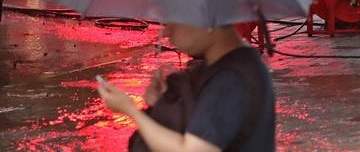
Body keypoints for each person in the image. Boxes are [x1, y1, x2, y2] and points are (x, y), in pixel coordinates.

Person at [97, 23, 275, 152]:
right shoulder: (237, 62)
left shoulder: (230, 81)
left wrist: (131, 110)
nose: (166, 30)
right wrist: (166, 101)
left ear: (207, 18)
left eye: (174, 19)